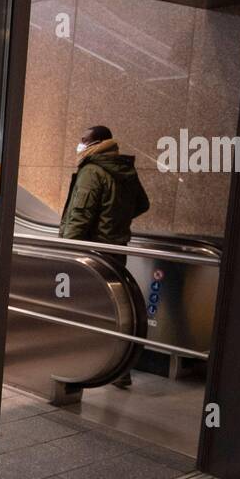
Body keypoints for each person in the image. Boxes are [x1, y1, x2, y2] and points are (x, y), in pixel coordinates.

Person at [59, 125, 150, 387]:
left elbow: (81, 214)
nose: (79, 144)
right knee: (113, 307)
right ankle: (120, 369)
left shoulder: (92, 170)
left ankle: (83, 364)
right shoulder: (124, 169)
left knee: (85, 308)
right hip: (116, 249)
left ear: (97, 143)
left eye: (83, 140)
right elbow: (143, 204)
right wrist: (114, 223)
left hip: (91, 251)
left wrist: (65, 250)